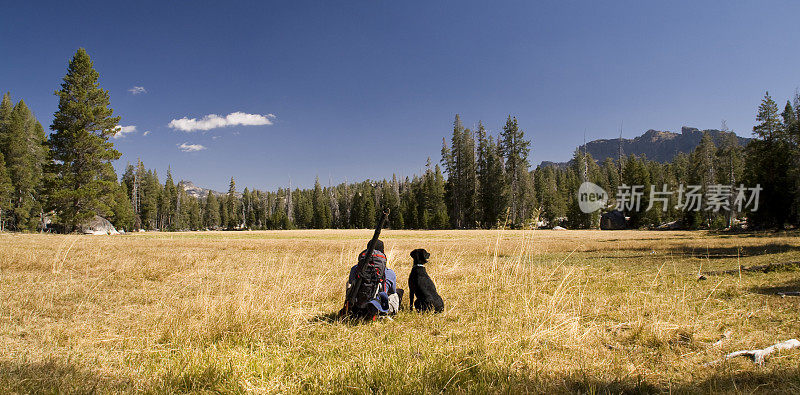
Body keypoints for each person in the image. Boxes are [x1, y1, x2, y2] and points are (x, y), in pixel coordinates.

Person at [343, 239, 403, 319]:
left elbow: (351, 283)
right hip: (379, 309)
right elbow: (392, 291)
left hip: (357, 307)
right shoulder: (389, 273)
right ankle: (380, 312)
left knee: (349, 284)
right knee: (397, 293)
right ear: (383, 252)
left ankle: (349, 308)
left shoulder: (355, 269)